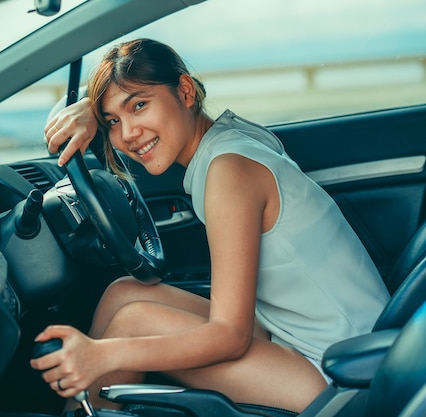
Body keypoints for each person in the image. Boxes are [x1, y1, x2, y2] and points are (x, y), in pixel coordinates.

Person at [30, 38, 390, 413]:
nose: (127, 134)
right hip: (308, 334)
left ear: (185, 91)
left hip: (341, 373)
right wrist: (93, 105)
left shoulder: (228, 173)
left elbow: (230, 337)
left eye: (139, 106)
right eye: (113, 122)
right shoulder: (232, 138)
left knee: (133, 322)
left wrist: (102, 355)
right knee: (124, 294)